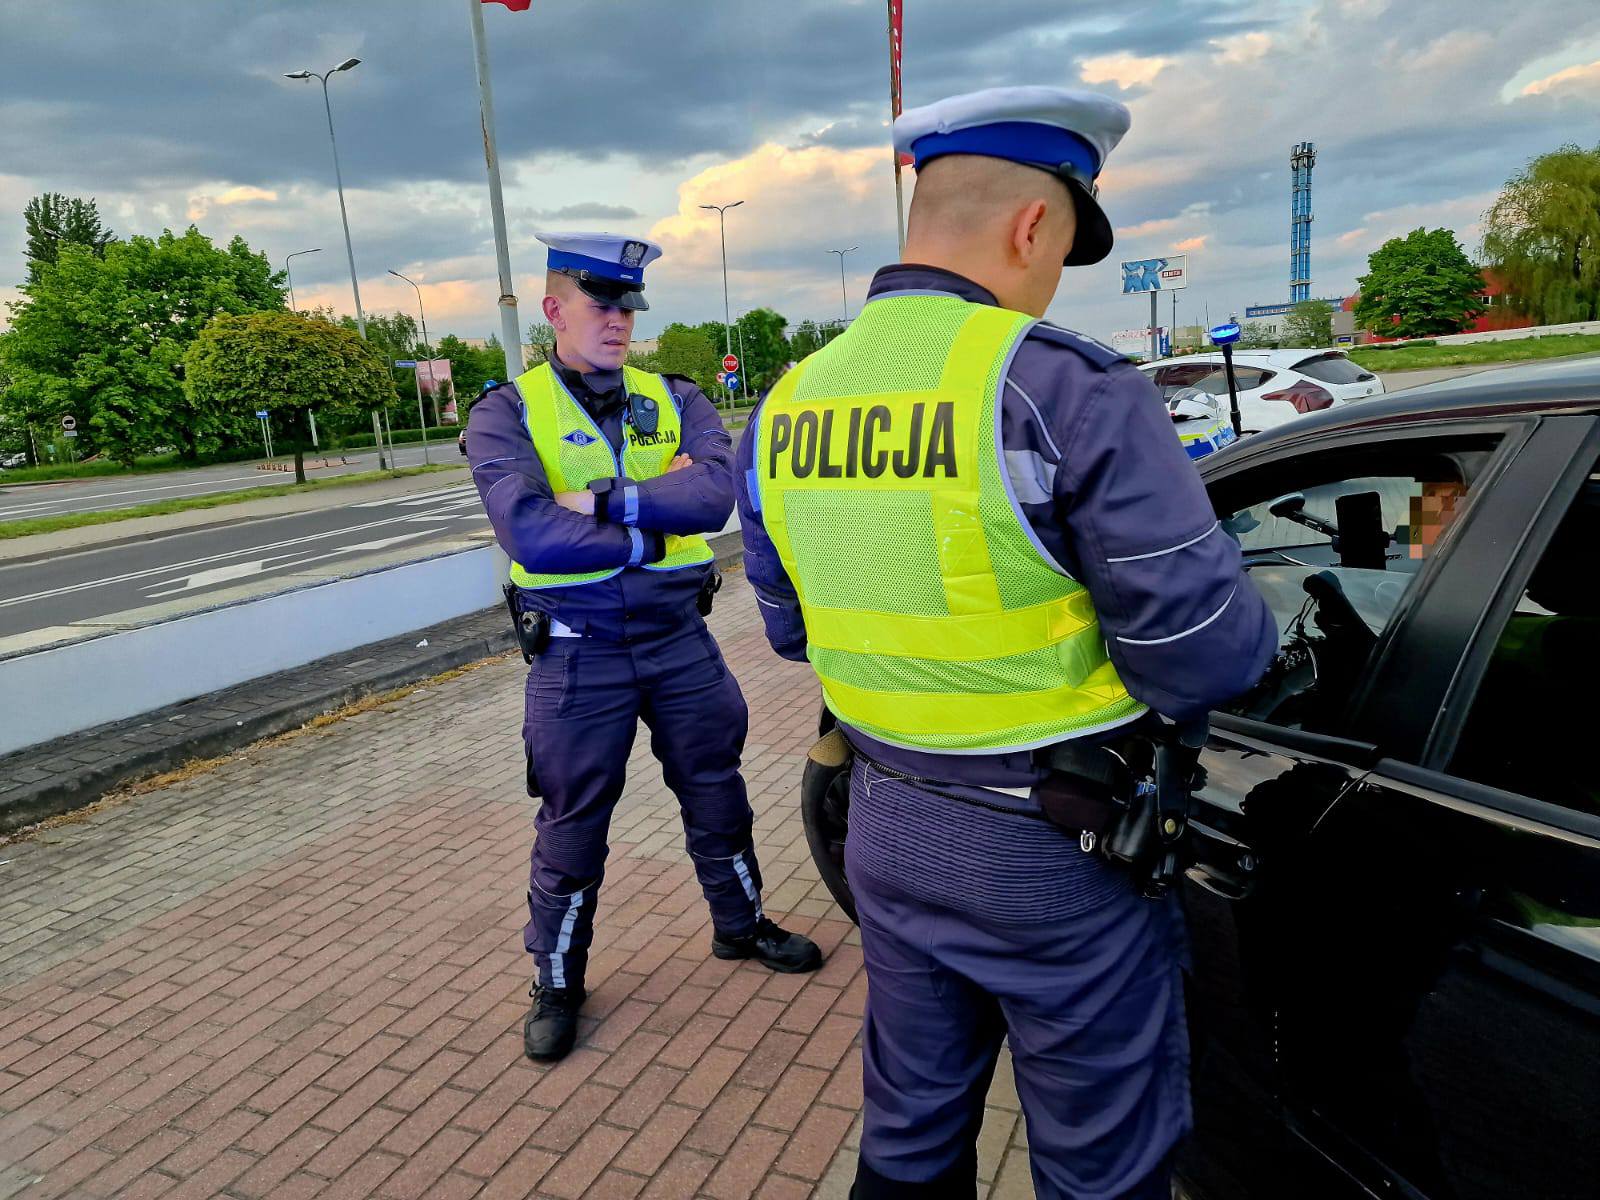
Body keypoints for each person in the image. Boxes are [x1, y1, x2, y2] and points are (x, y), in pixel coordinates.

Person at [735, 88, 1277, 1198]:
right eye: (1065, 250)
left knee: (910, 1129)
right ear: (1033, 226)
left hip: (885, 831)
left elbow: (793, 631)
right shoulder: (1056, 387)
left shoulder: (788, 402)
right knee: (1099, 1162)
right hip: (1053, 853)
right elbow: (1210, 652)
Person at [468, 232, 822, 1064]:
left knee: (718, 793)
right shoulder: (505, 410)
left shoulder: (675, 395)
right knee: (572, 824)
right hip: (577, 655)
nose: (621, 320)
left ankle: (741, 928)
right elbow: (528, 530)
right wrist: (648, 532)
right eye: (603, 304)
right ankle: (558, 981)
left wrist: (598, 502)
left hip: (679, 641)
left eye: (630, 306)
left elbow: (713, 497)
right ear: (554, 310)